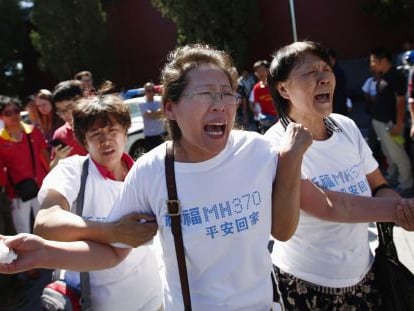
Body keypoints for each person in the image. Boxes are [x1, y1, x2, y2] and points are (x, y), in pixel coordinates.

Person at [1, 44, 414, 310]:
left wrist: (289, 166)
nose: (221, 105)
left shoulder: (257, 150)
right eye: (206, 94)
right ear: (171, 109)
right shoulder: (151, 171)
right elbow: (114, 250)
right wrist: (43, 253)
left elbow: (283, 231)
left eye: (227, 93)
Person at [265, 40, 414, 310]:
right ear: (283, 88)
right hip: (307, 283)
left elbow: (379, 185)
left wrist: (403, 209)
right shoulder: (275, 145)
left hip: (366, 273)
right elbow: (332, 206)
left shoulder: (346, 126)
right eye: (310, 72)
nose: (323, 78)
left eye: (326, 69)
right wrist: (398, 209)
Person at [34, 90, 163, 310]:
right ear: (84, 140)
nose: (106, 140)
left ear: (125, 131)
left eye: (113, 130)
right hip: (98, 302)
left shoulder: (146, 174)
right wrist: (113, 232)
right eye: (95, 134)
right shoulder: (73, 170)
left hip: (155, 298)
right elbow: (45, 223)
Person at [0, 95, 49, 234]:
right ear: (1, 117)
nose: (14, 115)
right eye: (8, 113)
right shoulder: (0, 140)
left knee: (49, 226)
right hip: (17, 193)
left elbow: (45, 156)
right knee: (24, 232)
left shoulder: (33, 131)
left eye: (16, 111)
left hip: (41, 187)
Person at [369, 47, 413, 195]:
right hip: (380, 121)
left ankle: (406, 184)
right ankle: (393, 176)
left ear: (384, 60)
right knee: (388, 152)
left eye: (374, 61)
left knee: (398, 154)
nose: (372, 64)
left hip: (391, 123)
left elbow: (400, 101)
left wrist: (399, 123)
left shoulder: (396, 75)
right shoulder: (383, 75)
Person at [49, 80, 87, 168]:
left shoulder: (99, 125)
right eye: (60, 111)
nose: (66, 114)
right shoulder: (59, 134)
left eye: (70, 107)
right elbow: (52, 171)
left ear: (82, 101)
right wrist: (58, 157)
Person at [249, 60, 278, 132]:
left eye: (262, 70)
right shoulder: (256, 88)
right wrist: (258, 115)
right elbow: (251, 102)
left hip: (279, 118)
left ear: (268, 70)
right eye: (258, 71)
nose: (260, 73)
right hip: (267, 120)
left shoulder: (275, 85)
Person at [138, 82, 166, 153]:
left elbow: (164, 113)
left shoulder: (159, 100)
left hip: (161, 134)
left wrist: (155, 113)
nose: (151, 92)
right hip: (150, 136)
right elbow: (151, 116)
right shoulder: (142, 102)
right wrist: (159, 112)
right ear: (145, 92)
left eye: (153, 90)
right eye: (148, 91)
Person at [327, 48, 348, 115]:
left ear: (334, 59)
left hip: (338, 104)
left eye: (329, 60)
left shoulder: (337, 72)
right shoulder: (331, 71)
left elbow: (340, 91)